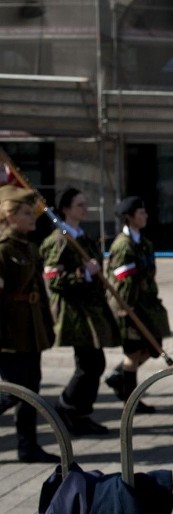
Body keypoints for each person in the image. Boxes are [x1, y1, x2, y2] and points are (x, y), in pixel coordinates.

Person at [39, 186, 121, 435]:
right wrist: (83, 273)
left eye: (85, 204)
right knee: (89, 363)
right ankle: (67, 406)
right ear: (65, 209)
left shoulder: (82, 236)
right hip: (74, 312)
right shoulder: (60, 239)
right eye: (79, 205)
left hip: (90, 308)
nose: (84, 209)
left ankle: (80, 412)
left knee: (94, 362)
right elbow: (53, 278)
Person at [0, 185, 60, 463]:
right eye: (26, 213)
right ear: (9, 216)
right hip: (9, 331)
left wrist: (47, 326)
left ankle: (28, 446)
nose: (32, 217)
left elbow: (39, 291)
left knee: (32, 389)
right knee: (15, 390)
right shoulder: (3, 250)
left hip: (31, 328)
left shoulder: (31, 246)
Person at [102, 196, 171, 414]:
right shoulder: (124, 245)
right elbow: (122, 281)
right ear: (129, 218)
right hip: (129, 306)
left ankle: (118, 376)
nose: (145, 215)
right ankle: (130, 401)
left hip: (146, 304)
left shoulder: (144, 242)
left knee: (153, 346)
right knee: (133, 353)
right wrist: (126, 309)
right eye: (140, 213)